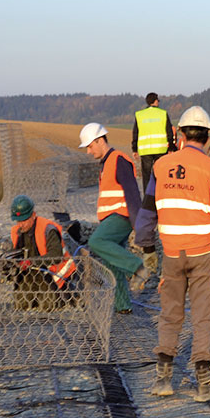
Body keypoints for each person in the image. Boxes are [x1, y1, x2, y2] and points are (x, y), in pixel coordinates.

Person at [134, 105, 210, 401]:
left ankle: (163, 380)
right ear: (207, 137)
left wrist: (146, 245)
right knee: (202, 317)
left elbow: (146, 212)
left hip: (171, 253)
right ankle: (205, 384)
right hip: (201, 255)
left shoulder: (160, 167)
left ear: (180, 134)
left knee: (170, 315)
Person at [79, 122, 151, 314]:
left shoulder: (119, 160)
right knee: (113, 263)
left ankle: (137, 267)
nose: (88, 151)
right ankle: (123, 306)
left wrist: (138, 224)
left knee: (97, 241)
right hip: (112, 218)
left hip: (121, 217)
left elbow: (132, 193)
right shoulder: (106, 163)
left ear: (100, 140)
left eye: (90, 146)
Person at [6, 194, 77, 305]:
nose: (21, 224)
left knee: (48, 305)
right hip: (31, 275)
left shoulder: (48, 229)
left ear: (33, 215)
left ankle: (67, 293)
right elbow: (15, 253)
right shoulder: (16, 232)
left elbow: (56, 256)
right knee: (21, 303)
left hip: (54, 275)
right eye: (18, 221)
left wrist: (30, 262)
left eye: (24, 220)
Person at [131, 92, 175, 194]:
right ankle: (161, 193)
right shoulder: (163, 113)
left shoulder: (140, 115)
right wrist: (171, 148)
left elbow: (135, 133)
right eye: (158, 100)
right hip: (161, 149)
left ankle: (148, 198)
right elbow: (169, 132)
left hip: (145, 150)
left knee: (146, 175)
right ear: (155, 101)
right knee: (161, 173)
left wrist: (134, 149)